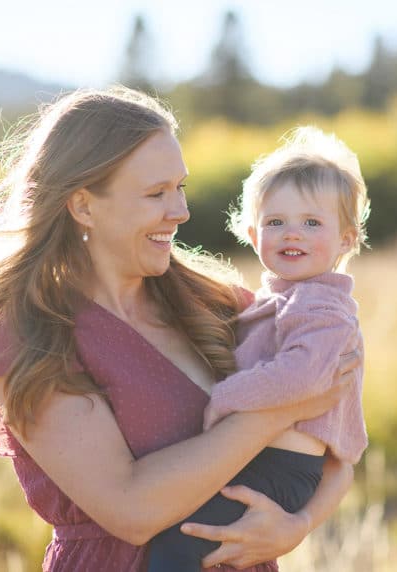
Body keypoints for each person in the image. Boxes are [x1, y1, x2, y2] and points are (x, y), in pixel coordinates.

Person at [0, 87, 358, 572]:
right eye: (155, 193)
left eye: (180, 187)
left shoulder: (216, 302)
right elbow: (130, 509)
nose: (180, 210)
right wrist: (273, 413)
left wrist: (299, 524)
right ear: (83, 206)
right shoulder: (26, 335)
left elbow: (333, 442)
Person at [147, 126, 370, 572]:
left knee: (180, 546)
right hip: (264, 460)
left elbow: (302, 376)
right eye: (275, 222)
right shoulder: (279, 301)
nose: (293, 234)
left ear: (346, 239)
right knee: (184, 540)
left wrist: (227, 397)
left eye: (312, 222)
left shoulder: (322, 304)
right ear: (252, 233)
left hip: (281, 468)